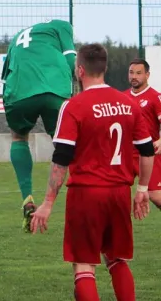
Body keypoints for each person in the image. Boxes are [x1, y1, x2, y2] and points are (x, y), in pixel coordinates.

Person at [31, 43, 154, 301]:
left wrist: (47, 203)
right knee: (117, 259)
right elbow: (146, 150)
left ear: (79, 70)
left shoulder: (75, 105)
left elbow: (61, 158)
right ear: (106, 68)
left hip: (86, 195)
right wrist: (142, 189)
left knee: (84, 264)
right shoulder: (128, 104)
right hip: (120, 193)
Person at [0, 19, 77, 232]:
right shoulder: (62, 26)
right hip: (53, 89)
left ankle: (27, 198)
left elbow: (5, 76)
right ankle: (84, 194)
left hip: (18, 92)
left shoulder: (18, 36)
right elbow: (71, 61)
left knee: (18, 137)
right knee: (67, 143)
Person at [125, 58, 161, 209]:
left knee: (155, 195)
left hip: (148, 153)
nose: (134, 76)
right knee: (114, 193)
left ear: (147, 75)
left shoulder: (155, 97)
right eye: (131, 72)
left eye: (139, 73)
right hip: (126, 154)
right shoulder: (122, 97)